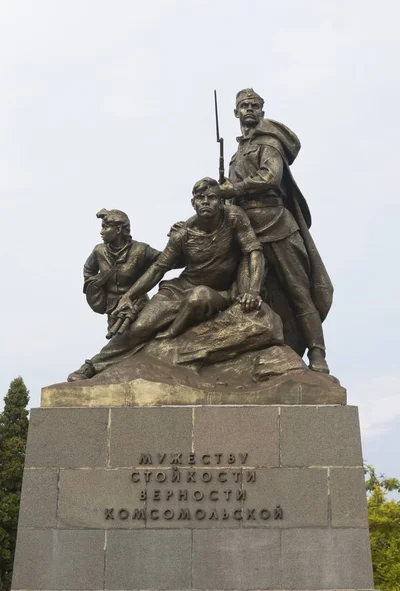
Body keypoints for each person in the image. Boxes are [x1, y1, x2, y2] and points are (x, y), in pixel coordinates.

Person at [68, 177, 265, 381]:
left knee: (199, 297)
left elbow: (254, 251)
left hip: (220, 291)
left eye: (212, 197)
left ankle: (166, 339)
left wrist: (252, 290)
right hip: (178, 289)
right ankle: (92, 366)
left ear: (221, 200)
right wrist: (129, 296)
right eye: (200, 198)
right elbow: (158, 268)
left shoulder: (233, 217)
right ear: (193, 203)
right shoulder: (182, 234)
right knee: (139, 327)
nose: (206, 201)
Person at [219, 88, 333, 374]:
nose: (249, 109)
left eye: (254, 105)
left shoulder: (268, 142)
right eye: (243, 105)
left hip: (275, 223)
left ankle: (318, 355)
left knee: (298, 292)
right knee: (244, 294)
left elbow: (271, 177)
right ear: (236, 113)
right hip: (246, 229)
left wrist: (235, 188)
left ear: (262, 111)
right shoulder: (237, 154)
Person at [67, 208, 160, 381]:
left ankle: (90, 368)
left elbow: (165, 261)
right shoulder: (99, 251)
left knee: (128, 339)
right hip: (112, 305)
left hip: (136, 304)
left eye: (105, 227)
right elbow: (88, 270)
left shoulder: (141, 250)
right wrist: (95, 284)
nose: (101, 232)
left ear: (118, 229)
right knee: (118, 339)